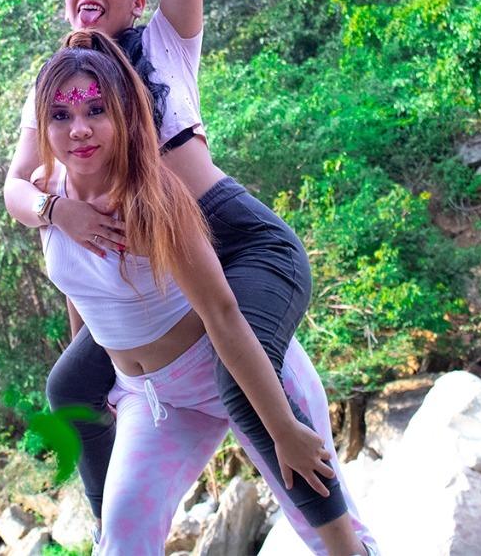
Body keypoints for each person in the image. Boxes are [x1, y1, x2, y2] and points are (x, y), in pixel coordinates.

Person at [4, 0, 377, 553]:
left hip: (235, 241)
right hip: (156, 280)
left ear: (137, 0)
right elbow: (23, 194)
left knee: (247, 389)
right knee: (71, 384)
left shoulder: (164, 44)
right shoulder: (61, 92)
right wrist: (57, 211)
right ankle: (113, 521)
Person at [28, 31, 370, 555]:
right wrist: (108, 388)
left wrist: (283, 428)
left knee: (333, 538)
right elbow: (84, 291)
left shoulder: (153, 199)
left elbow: (222, 312)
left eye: (96, 110)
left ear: (123, 113)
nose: (79, 129)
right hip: (154, 400)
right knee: (122, 538)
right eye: (60, 115)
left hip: (242, 375)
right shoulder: (47, 195)